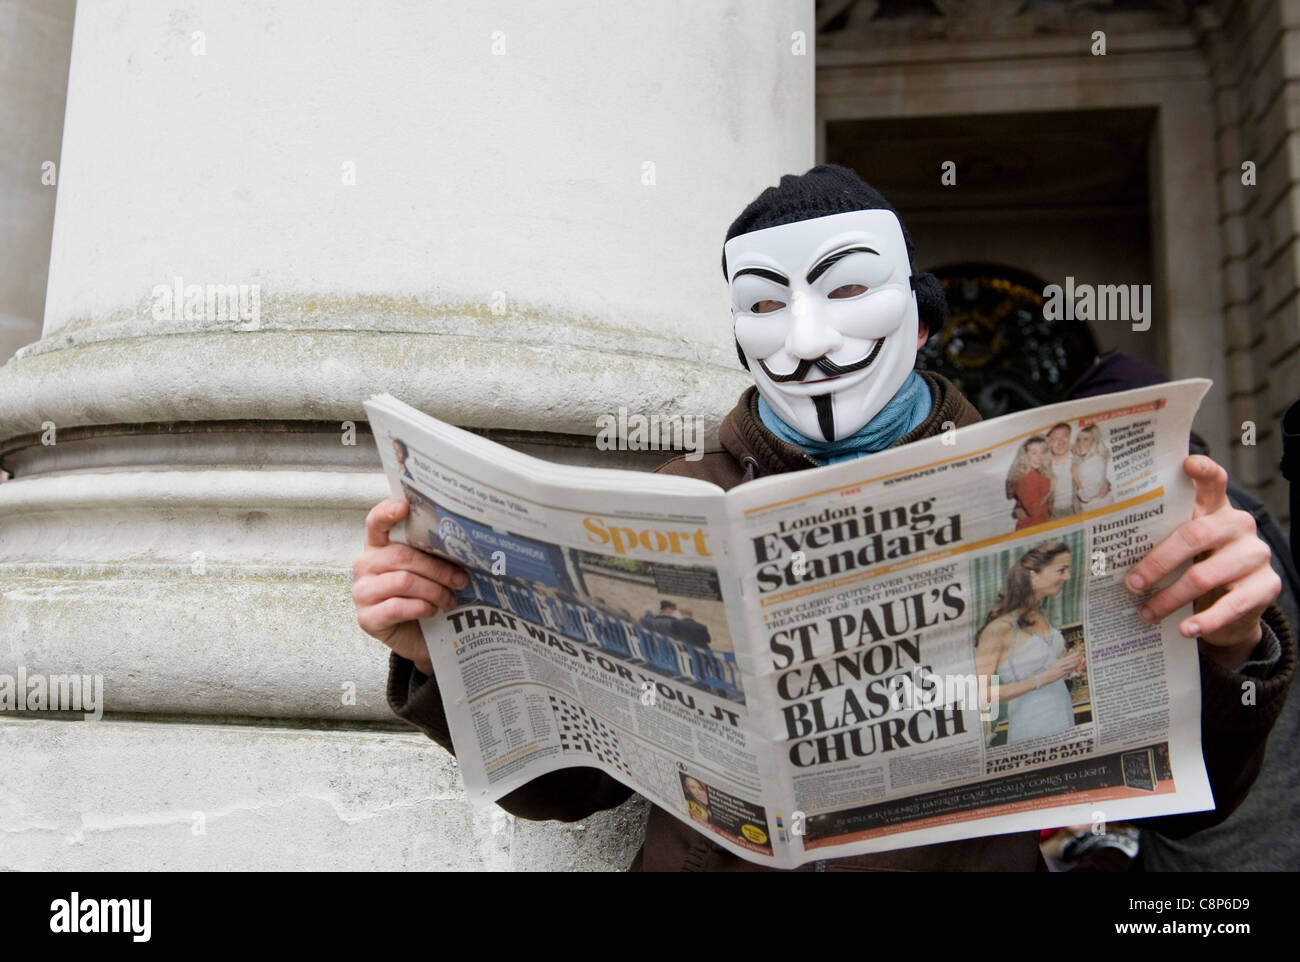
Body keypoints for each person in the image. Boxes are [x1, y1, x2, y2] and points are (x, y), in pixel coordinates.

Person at [352, 164, 1294, 871]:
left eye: (847, 290)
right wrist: (439, 656)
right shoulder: (671, 504)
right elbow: (565, 788)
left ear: (921, 323)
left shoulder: (1049, 486)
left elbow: (1187, 800)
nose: (807, 340)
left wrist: (1232, 644)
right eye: (766, 305)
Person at [974, 542, 1084, 744]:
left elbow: (1047, 661)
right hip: (1032, 727)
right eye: (1061, 570)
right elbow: (981, 694)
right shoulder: (999, 629)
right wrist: (1043, 678)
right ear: (1034, 577)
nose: (1067, 577)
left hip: (1063, 714)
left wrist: (1070, 666)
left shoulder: (1042, 614)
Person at [1007, 436, 1053, 529]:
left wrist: (1019, 507)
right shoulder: (1030, 476)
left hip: (1031, 525)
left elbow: (1026, 500)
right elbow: (1035, 510)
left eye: (1043, 452)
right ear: (1025, 455)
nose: (1039, 457)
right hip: (1036, 526)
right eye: (1034, 453)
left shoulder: (1034, 473)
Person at [1071, 423, 1113, 513]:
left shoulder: (1093, 462)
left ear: (1094, 441)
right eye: (1078, 440)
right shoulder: (1093, 459)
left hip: (1097, 508)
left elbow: (1086, 496)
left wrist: (1076, 478)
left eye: (1085, 439)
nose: (1080, 443)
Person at [1045, 423, 1076, 520]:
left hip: (1077, 510)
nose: (1060, 442)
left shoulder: (1080, 459)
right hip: (1053, 513)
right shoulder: (1044, 466)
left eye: (1064, 437)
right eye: (1054, 439)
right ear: (1048, 444)